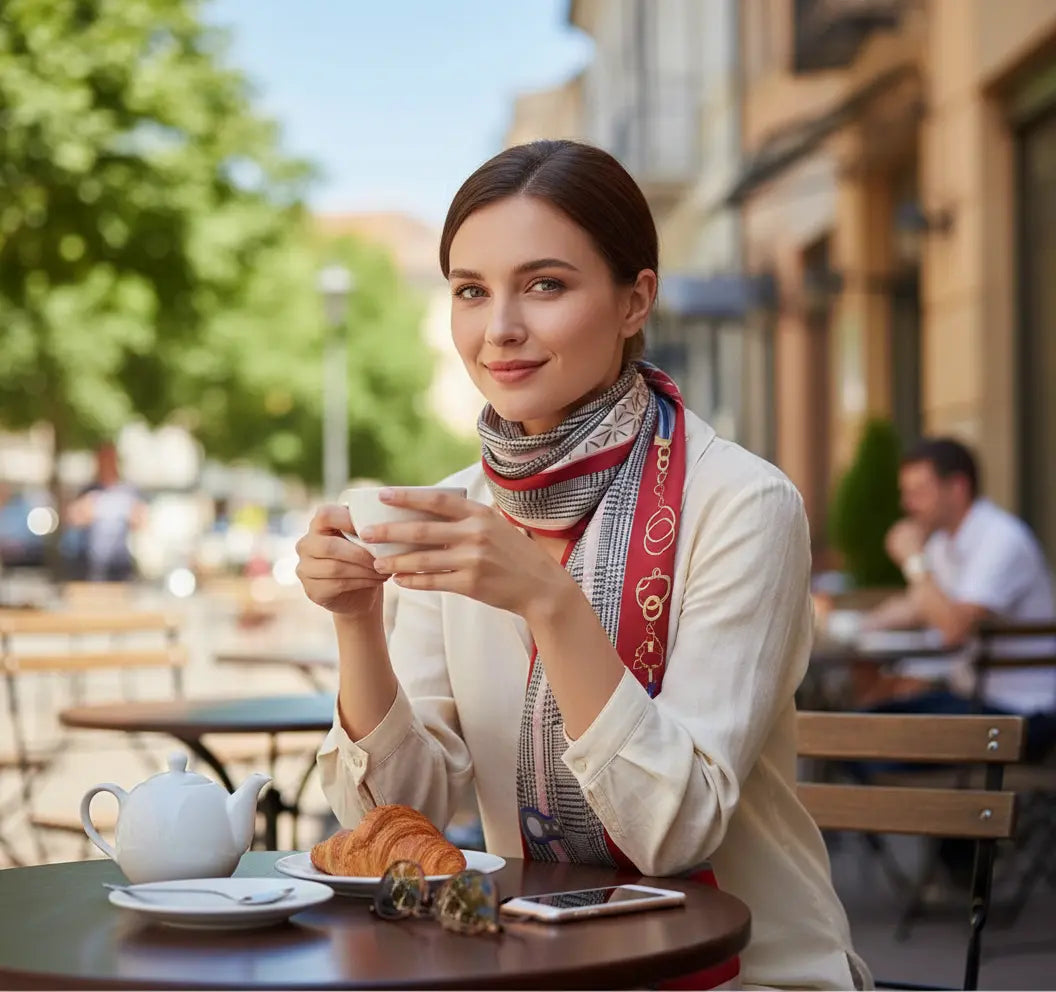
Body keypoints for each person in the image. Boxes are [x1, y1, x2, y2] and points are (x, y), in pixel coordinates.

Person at [297, 141, 869, 990]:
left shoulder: (744, 505)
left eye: (545, 285)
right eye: (470, 291)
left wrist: (547, 600)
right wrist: (356, 623)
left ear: (636, 299)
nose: (499, 330)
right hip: (531, 968)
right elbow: (397, 820)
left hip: (751, 971)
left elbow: (675, 831)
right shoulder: (458, 512)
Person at [859, 438, 1056, 759]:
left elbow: (952, 628)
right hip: (974, 701)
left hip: (1018, 714)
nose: (908, 504)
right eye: (906, 492)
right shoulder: (945, 543)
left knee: (853, 738)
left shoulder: (1001, 539)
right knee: (856, 725)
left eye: (919, 491)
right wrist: (855, 626)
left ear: (958, 487)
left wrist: (913, 560)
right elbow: (917, 606)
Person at [66, 443, 146, 582]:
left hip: (119, 560)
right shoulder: (89, 490)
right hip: (93, 560)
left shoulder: (128, 491)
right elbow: (72, 518)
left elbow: (141, 520)